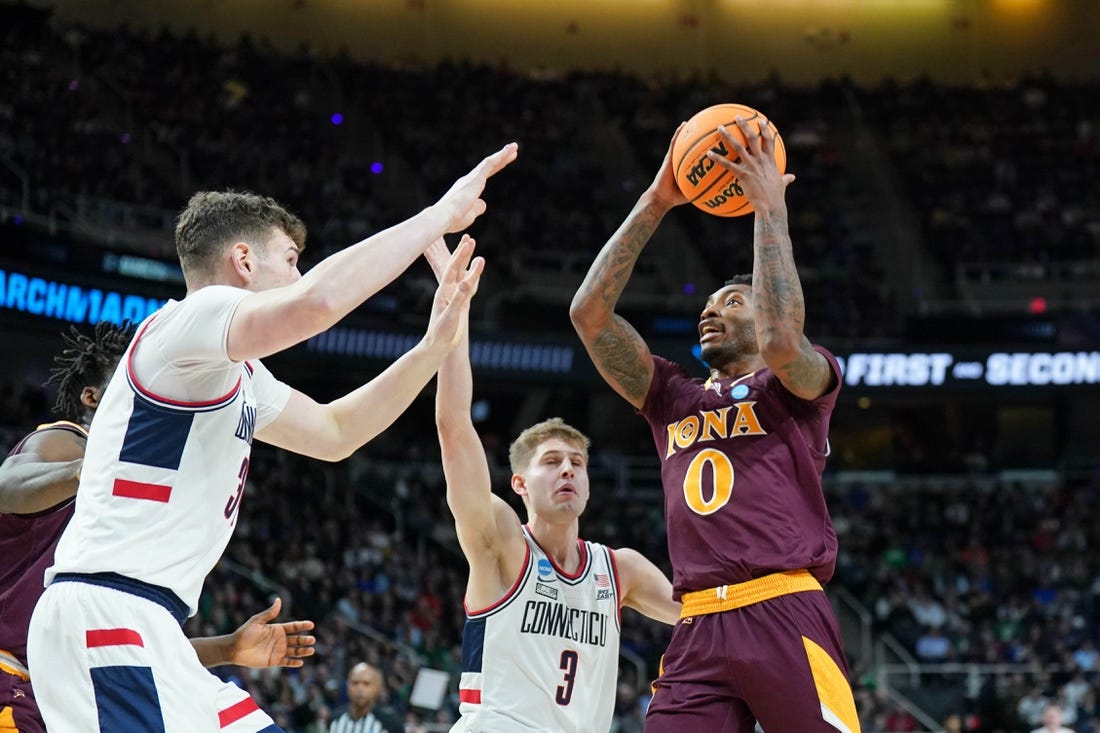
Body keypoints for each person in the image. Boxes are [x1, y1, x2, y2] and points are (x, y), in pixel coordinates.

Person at [26, 141, 518, 733]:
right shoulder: (187, 322)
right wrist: (437, 216)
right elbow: (318, 303)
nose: (298, 273)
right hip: (107, 612)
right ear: (243, 260)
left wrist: (435, 345)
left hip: (154, 627)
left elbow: (337, 432)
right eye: (290, 257)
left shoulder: (238, 373)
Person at [570, 118, 860, 732]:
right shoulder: (671, 396)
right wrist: (656, 200)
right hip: (696, 622)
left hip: (785, 607)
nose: (710, 310)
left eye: (732, 302)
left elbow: (783, 338)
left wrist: (768, 209)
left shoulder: (800, 384)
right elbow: (589, 315)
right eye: (707, 305)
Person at [0, 322, 317, 733]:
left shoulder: (136, 510)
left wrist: (229, 648)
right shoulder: (69, 441)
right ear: (93, 397)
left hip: (69, 689)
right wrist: (87, 470)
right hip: (13, 679)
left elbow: (128, 643)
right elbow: (7, 486)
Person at [428, 237, 679, 732]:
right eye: (552, 462)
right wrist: (453, 315)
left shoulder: (619, 569)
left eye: (577, 462)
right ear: (519, 483)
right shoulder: (500, 540)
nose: (568, 470)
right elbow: (454, 427)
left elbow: (703, 613)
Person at [329, 662, 400, 733]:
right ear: (347, 687)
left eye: (366, 683)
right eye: (355, 683)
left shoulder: (389, 723)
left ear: (376, 688)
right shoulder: (335, 719)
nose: (360, 689)